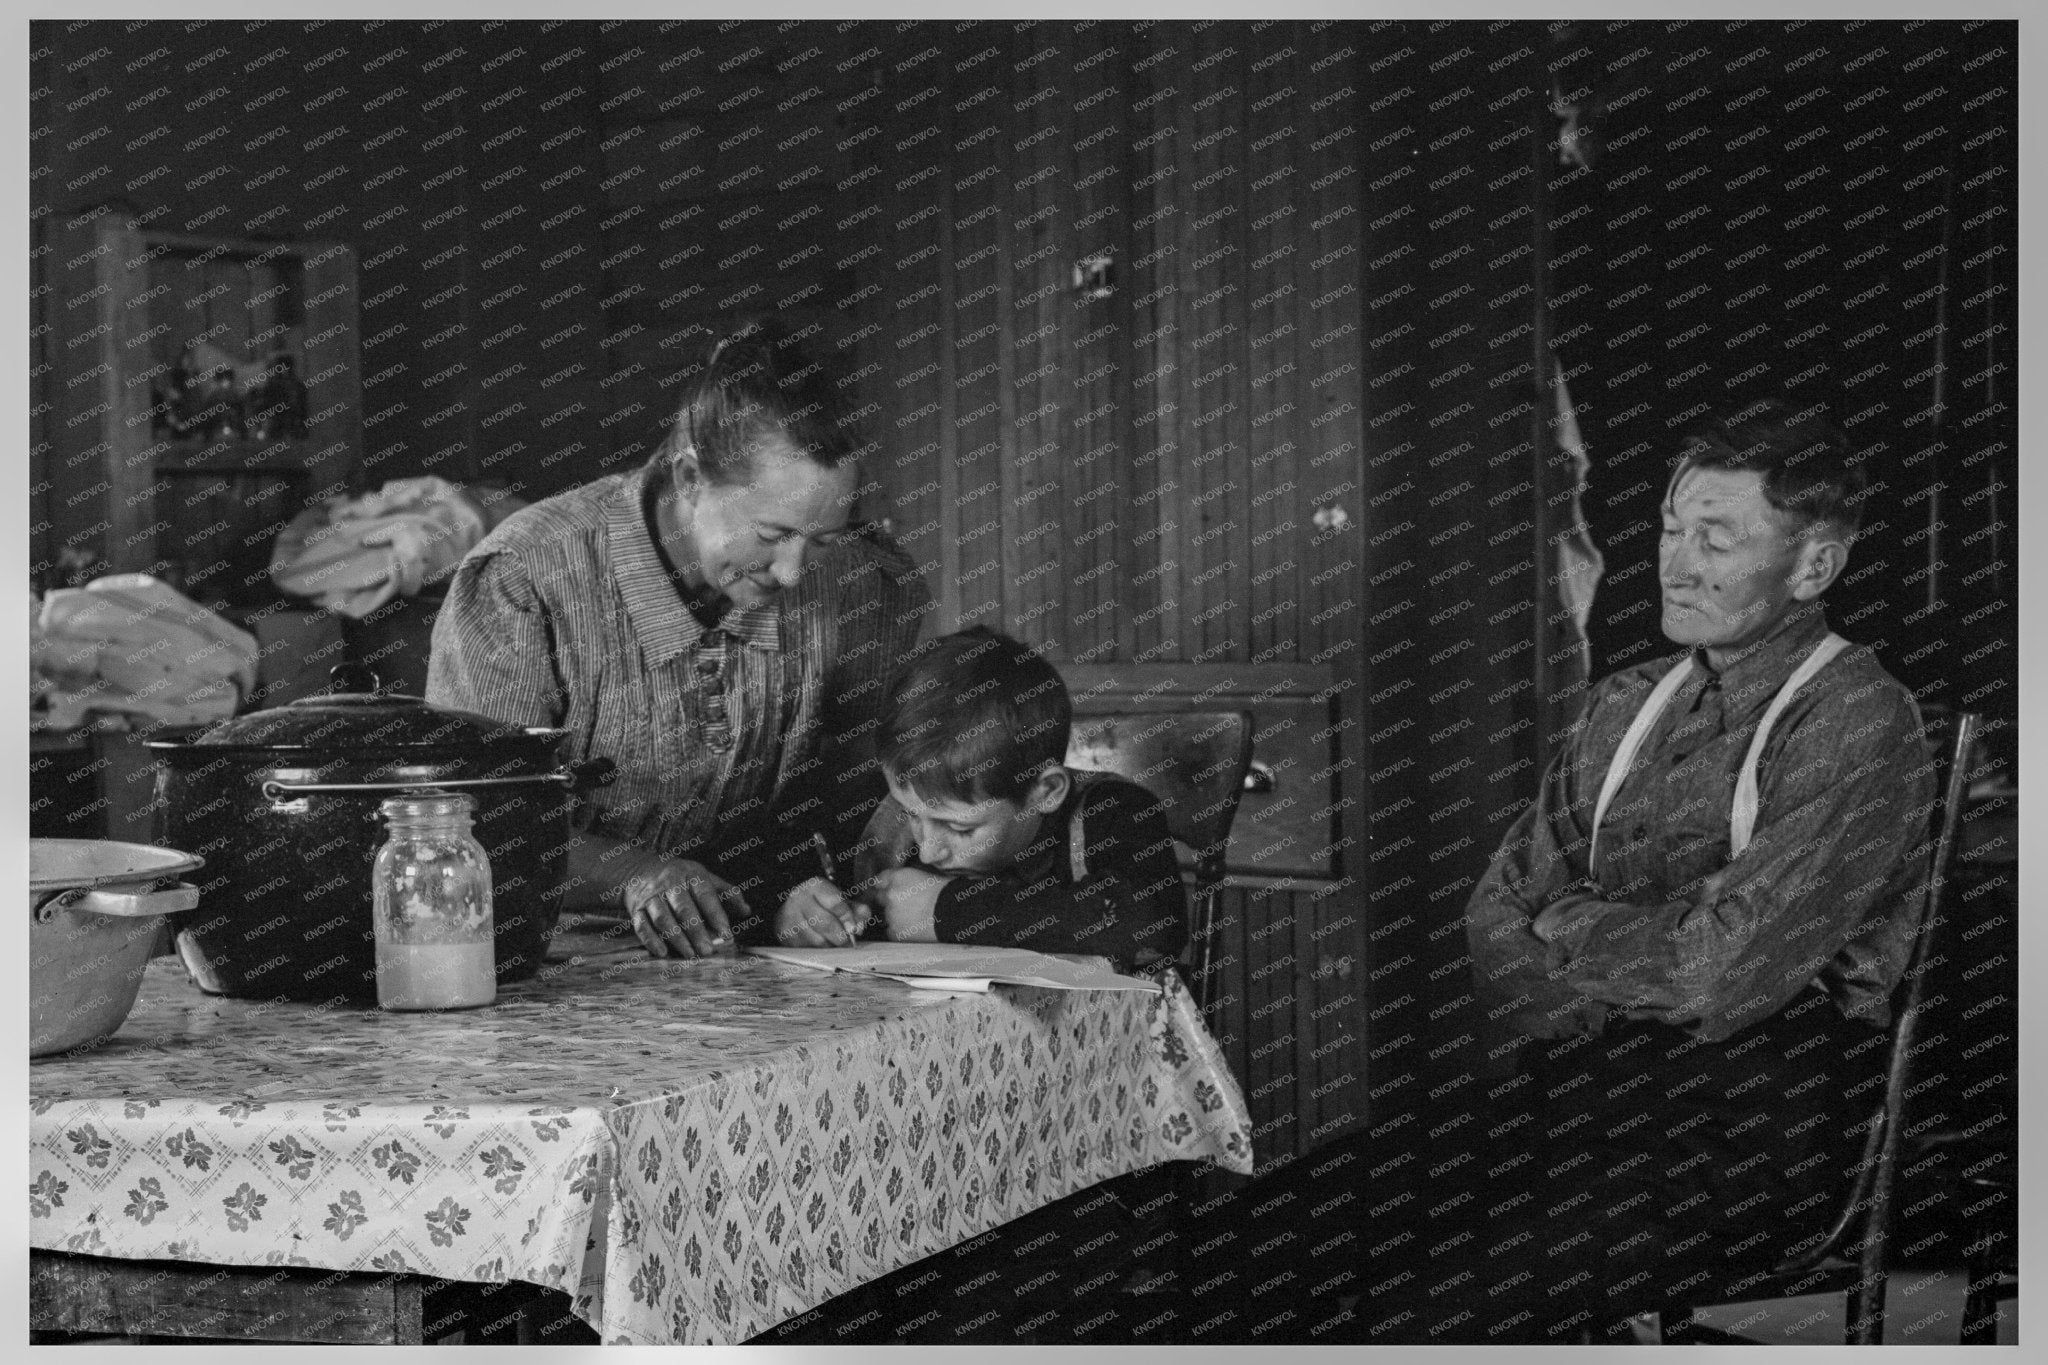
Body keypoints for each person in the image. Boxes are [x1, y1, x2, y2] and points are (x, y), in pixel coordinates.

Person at [1303, 398, 1937, 1343]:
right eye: (1671, 530)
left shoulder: (1858, 719)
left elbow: (1716, 977)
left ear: (1815, 566)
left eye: (1715, 540)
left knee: (1424, 1315)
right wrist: (1646, 943)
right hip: (1578, 1095)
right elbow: (1492, 924)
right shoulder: (1624, 704)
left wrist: (1573, 926)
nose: (1675, 563)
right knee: (1279, 1237)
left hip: (1757, 1133)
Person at [427, 319, 931, 959]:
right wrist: (636, 874)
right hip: (556, 965)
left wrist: (880, 850)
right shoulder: (525, 579)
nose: (792, 573)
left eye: (822, 541)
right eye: (772, 534)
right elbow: (477, 822)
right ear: (690, 479)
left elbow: (853, 785)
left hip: (761, 950)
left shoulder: (864, 583)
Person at [777, 627, 1188, 974]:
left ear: (1045, 792)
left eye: (960, 828)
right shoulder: (870, 805)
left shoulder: (1114, 812)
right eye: (912, 814)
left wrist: (943, 910)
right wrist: (792, 903)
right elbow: (750, 864)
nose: (929, 848)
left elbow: (1153, 926)